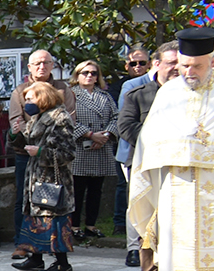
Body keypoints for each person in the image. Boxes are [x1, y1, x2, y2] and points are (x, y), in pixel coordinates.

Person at [129, 28, 214, 271]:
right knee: (173, 248)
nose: (188, 72)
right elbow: (149, 140)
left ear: (211, 61)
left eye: (196, 66)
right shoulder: (168, 93)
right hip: (176, 186)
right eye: (183, 66)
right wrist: (186, 144)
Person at [118, 42, 180, 271]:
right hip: (147, 167)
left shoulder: (194, 94)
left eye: (180, 63)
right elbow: (125, 126)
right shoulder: (139, 93)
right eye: (170, 63)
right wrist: (156, 144)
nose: (176, 68)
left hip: (183, 171)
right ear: (158, 64)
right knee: (149, 224)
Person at [9, 50, 76, 257]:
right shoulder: (37, 115)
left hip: (52, 174)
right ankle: (33, 254)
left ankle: (60, 260)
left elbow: (67, 150)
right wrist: (15, 134)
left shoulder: (58, 115)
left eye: (31, 98)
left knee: (53, 217)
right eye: (26, 98)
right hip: (33, 171)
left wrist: (40, 152)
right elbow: (22, 135)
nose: (27, 102)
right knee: (31, 213)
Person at [67, 60, 119, 240]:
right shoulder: (71, 95)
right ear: (77, 75)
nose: (89, 76)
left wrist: (106, 135)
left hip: (101, 148)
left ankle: (91, 224)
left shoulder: (105, 96)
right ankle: (74, 226)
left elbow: (116, 117)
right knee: (78, 189)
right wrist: (89, 134)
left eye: (93, 73)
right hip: (81, 148)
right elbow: (67, 120)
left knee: (96, 190)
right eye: (85, 72)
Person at [112, 48, 152, 241]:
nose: (138, 67)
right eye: (133, 63)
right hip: (132, 150)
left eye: (142, 63)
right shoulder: (130, 86)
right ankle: (129, 237)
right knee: (131, 193)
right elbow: (124, 119)